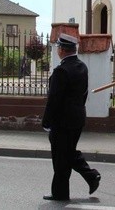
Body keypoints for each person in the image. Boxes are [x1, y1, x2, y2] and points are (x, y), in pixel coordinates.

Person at [42, 33, 101, 201]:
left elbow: (54, 100)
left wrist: (47, 122)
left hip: (62, 122)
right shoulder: (82, 66)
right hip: (77, 119)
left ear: (61, 50)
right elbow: (82, 95)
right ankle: (91, 177)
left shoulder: (61, 70)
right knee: (67, 153)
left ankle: (61, 193)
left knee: (60, 158)